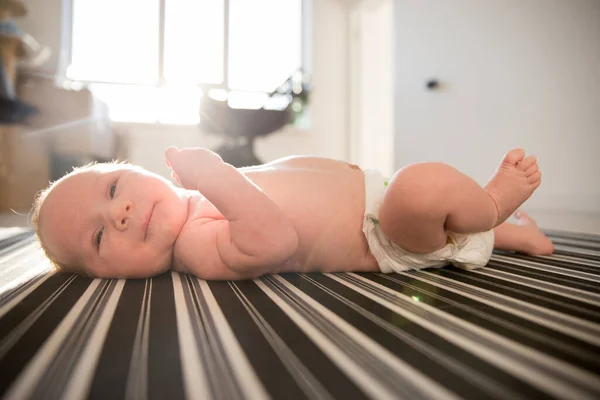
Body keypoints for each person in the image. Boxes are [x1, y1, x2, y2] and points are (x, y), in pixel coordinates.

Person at [31, 147, 554, 280]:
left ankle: (510, 235)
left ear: (138, 170)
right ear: (105, 276)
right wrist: (214, 172)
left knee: (419, 194)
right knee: (422, 187)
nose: (119, 213)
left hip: (375, 194)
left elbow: (281, 176)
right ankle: (492, 205)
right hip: (389, 236)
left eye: (114, 187)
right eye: (98, 238)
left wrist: (340, 172)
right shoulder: (193, 246)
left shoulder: (193, 197)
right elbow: (272, 239)